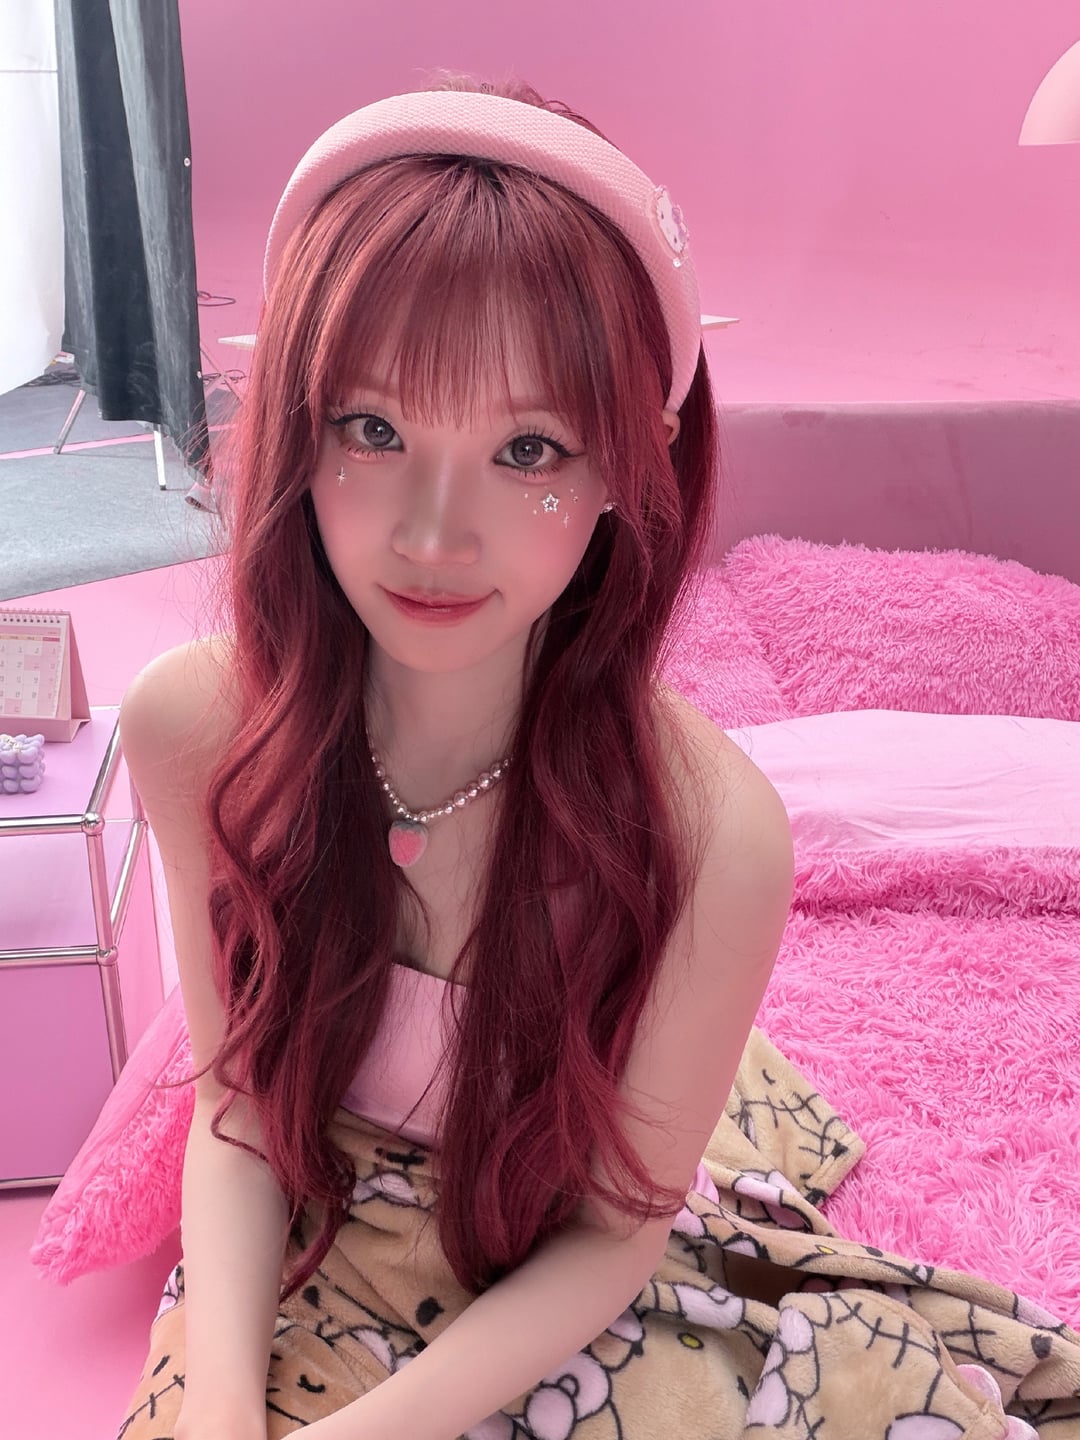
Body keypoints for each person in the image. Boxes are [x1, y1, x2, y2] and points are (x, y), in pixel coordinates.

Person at [116, 72, 794, 1440]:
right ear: (298, 424)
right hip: (293, 1254)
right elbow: (237, 1112)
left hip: (562, 1283)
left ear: (632, 464)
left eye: (527, 448)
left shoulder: (711, 837)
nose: (433, 535)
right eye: (373, 429)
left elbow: (612, 1235)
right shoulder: (198, 729)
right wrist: (222, 1414)